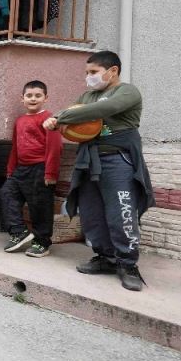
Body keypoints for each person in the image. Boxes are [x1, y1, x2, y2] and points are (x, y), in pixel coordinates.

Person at [43, 50, 154, 291]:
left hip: (119, 159)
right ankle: (105, 258)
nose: (89, 77)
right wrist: (61, 124)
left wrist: (59, 116)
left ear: (112, 71)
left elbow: (100, 111)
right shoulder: (87, 95)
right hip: (90, 161)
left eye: (93, 72)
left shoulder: (127, 92)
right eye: (87, 73)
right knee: (91, 213)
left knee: (121, 212)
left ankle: (127, 264)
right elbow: (77, 121)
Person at [0, 80, 63, 257]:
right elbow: (15, 147)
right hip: (20, 169)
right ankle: (19, 231)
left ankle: (42, 242)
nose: (33, 99)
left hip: (41, 169)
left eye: (38, 95)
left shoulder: (49, 119)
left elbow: (55, 147)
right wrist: (11, 170)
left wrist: (50, 172)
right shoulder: (20, 121)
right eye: (29, 95)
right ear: (22, 98)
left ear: (45, 98)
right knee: (6, 194)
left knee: (40, 206)